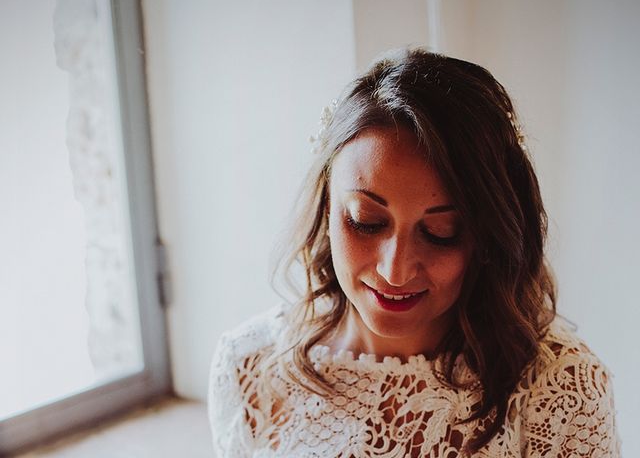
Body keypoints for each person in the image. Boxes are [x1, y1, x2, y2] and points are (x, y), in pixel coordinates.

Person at [208, 48, 620, 457]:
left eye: (441, 232)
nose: (395, 270)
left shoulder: (560, 390)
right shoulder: (248, 364)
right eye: (366, 220)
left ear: (486, 235)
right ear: (328, 207)